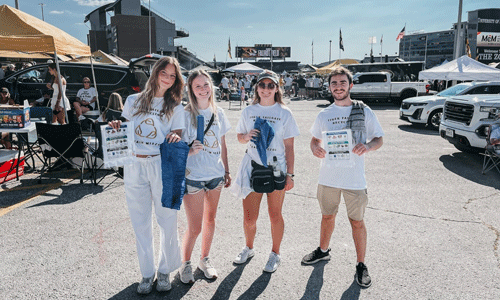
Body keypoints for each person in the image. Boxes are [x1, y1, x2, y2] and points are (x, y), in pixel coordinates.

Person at [108, 56, 185, 295]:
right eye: (165, 73)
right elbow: (123, 128)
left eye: (173, 76)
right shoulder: (133, 100)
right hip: (134, 165)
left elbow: (178, 134)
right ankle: (147, 272)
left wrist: (175, 136)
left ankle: (165, 270)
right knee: (140, 221)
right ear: (155, 73)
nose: (168, 79)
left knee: (167, 219)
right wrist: (114, 127)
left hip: (162, 164)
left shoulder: (175, 105)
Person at [303, 66, 384, 288]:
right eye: (334, 83)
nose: (338, 87)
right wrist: (315, 149)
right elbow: (314, 140)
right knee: (327, 217)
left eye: (342, 83)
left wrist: (367, 146)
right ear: (329, 87)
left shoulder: (364, 111)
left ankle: (361, 264)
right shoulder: (324, 114)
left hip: (354, 179)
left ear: (350, 85)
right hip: (328, 177)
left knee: (356, 222)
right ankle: (322, 251)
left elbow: (378, 138)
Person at [231, 70, 300, 273]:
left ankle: (275, 253)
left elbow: (289, 147)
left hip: (277, 166)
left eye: (271, 85)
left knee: (275, 214)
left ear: (277, 88)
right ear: (257, 88)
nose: (266, 89)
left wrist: (291, 174)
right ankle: (249, 247)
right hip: (253, 165)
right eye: (263, 85)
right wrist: (246, 136)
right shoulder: (249, 111)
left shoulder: (284, 113)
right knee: (249, 218)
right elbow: (239, 138)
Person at [179, 70, 231, 284]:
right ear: (191, 90)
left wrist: (226, 171)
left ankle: (204, 259)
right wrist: (189, 149)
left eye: (205, 85)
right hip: (193, 175)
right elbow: (175, 146)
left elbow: (223, 145)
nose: (203, 89)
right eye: (197, 86)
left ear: (212, 86)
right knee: (195, 226)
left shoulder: (219, 113)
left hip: (215, 175)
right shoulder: (184, 113)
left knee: (210, 220)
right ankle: (185, 264)